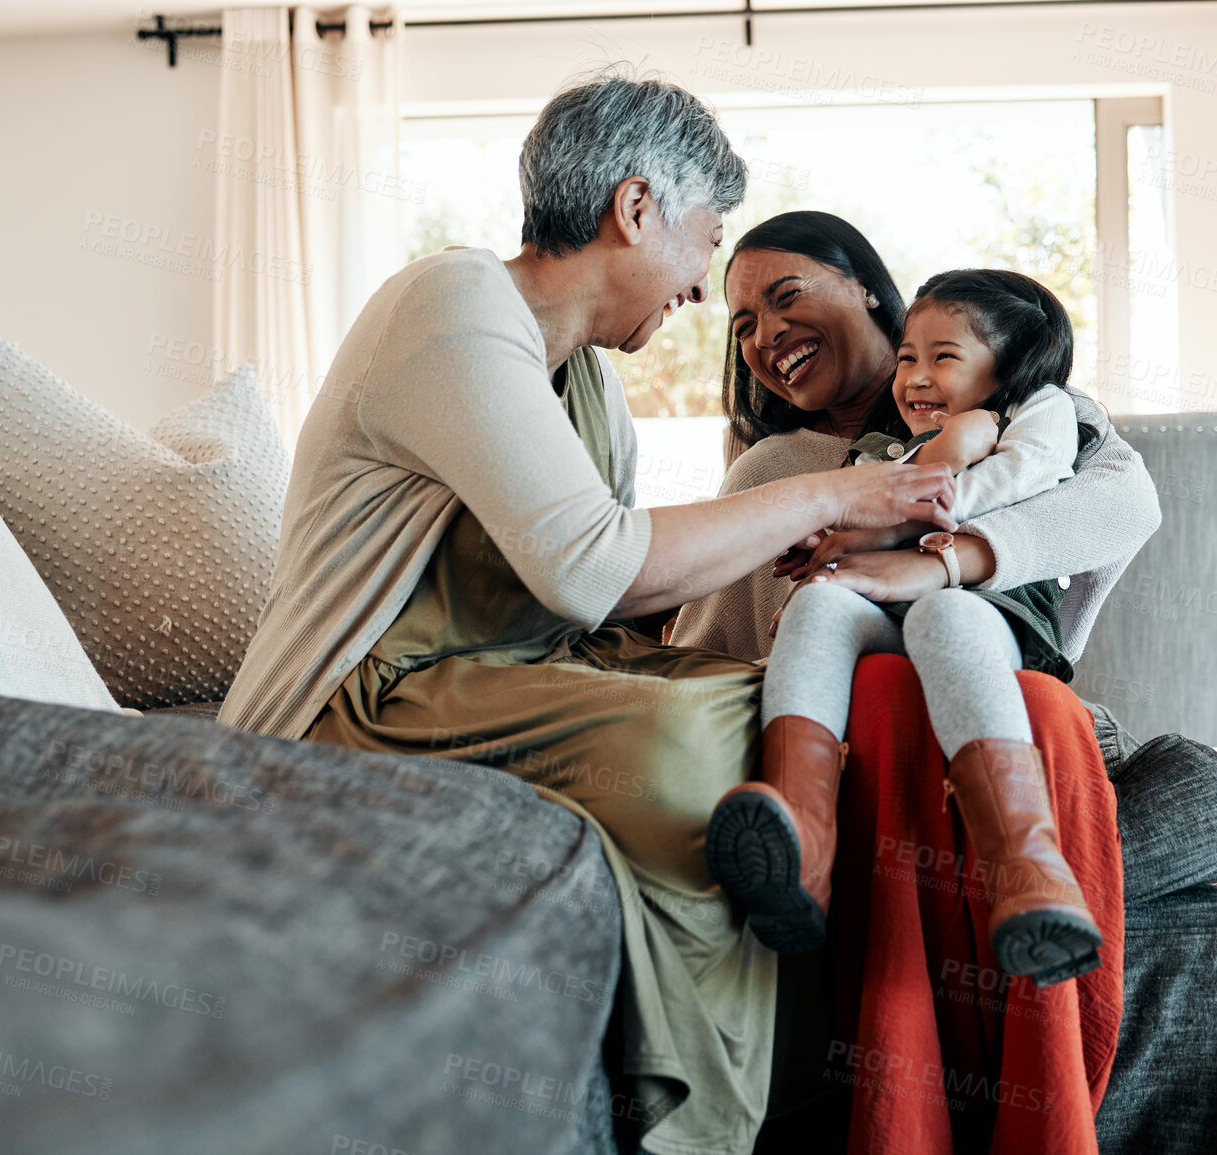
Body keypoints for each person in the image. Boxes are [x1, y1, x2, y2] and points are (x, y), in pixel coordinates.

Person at [218, 75, 963, 1154]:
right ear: (636, 209)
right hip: (367, 696)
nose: (706, 296)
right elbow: (592, 570)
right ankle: (699, 1123)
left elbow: (613, 590)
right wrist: (835, 494)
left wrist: (774, 561)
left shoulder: (591, 382)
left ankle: (807, 1100)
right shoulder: (453, 302)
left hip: (502, 678)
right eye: (708, 245)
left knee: (783, 709)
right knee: (685, 735)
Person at [704, 267, 1105, 989]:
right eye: (908, 357)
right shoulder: (885, 450)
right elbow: (863, 532)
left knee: (947, 610)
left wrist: (939, 478)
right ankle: (802, 842)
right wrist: (827, 545)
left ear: (1009, 366)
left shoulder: (1033, 411)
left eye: (942, 357)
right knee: (821, 604)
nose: (914, 375)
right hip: (889, 613)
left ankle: (1026, 868)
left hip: (989, 607)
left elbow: (1030, 471)